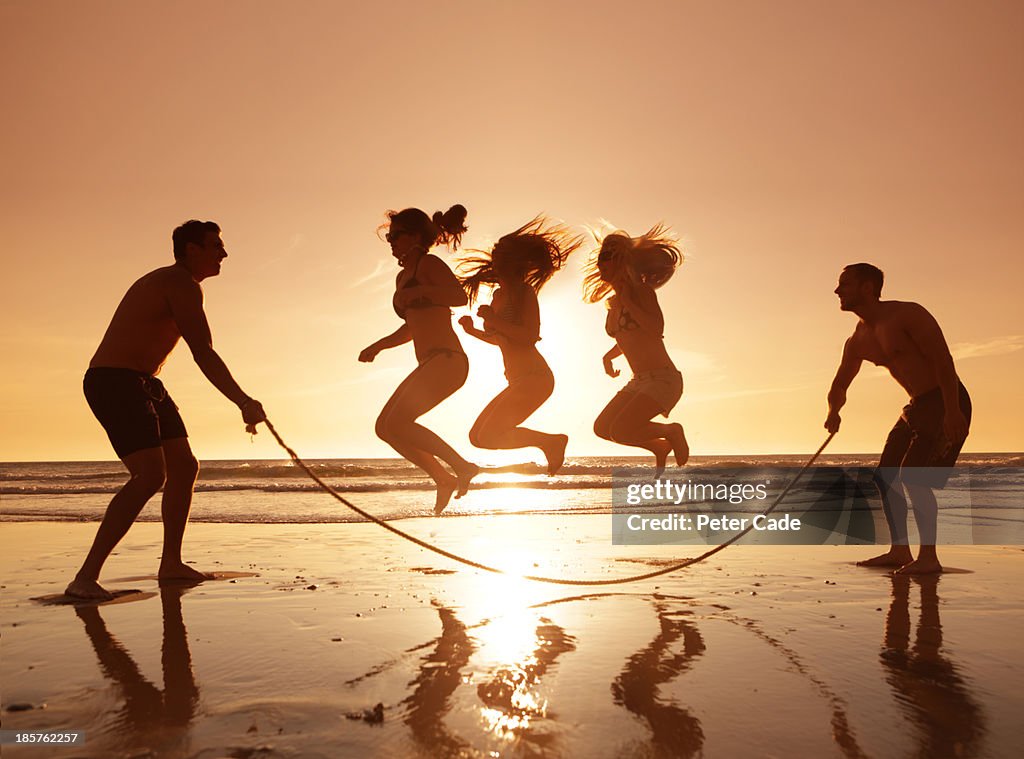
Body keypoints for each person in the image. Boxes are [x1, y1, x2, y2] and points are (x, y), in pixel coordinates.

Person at [66, 220, 266, 600]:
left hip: (144, 383)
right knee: (149, 475)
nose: (223, 253)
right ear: (192, 249)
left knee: (185, 466)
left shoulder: (182, 285)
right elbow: (203, 351)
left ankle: (170, 564)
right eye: (215, 246)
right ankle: (84, 578)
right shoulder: (179, 284)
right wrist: (242, 400)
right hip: (114, 381)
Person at [825, 263, 971, 574]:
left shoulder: (908, 315)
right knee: (885, 475)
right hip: (917, 405)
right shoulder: (858, 340)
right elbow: (840, 383)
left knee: (914, 477)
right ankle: (900, 550)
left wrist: (953, 410)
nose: (837, 291)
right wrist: (833, 412)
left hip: (945, 398)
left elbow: (944, 361)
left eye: (844, 284)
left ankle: (929, 557)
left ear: (867, 288)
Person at [359, 205, 479, 514]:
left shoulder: (429, 264)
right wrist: (379, 346)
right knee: (385, 428)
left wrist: (423, 291)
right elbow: (411, 327)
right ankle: (442, 477)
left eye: (396, 235)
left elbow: (457, 297)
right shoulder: (402, 278)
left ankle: (462, 467)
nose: (391, 242)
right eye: (389, 236)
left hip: (449, 360)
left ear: (414, 236)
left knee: (398, 422)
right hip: (429, 363)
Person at [457, 217, 580, 475]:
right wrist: (473, 332)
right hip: (518, 379)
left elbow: (529, 336)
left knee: (488, 435)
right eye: (495, 252)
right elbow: (501, 339)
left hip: (536, 377)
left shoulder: (524, 292)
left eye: (500, 254)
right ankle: (550, 442)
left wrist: (493, 319)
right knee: (478, 438)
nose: (494, 257)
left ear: (512, 262)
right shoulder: (499, 296)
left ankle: (551, 442)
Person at [586, 226, 689, 472]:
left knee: (621, 429)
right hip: (639, 380)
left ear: (620, 262)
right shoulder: (613, 303)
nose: (599, 264)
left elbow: (655, 329)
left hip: (662, 379)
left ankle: (671, 431)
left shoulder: (642, 292)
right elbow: (628, 337)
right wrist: (608, 357)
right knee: (602, 428)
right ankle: (658, 446)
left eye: (604, 257)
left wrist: (629, 301)